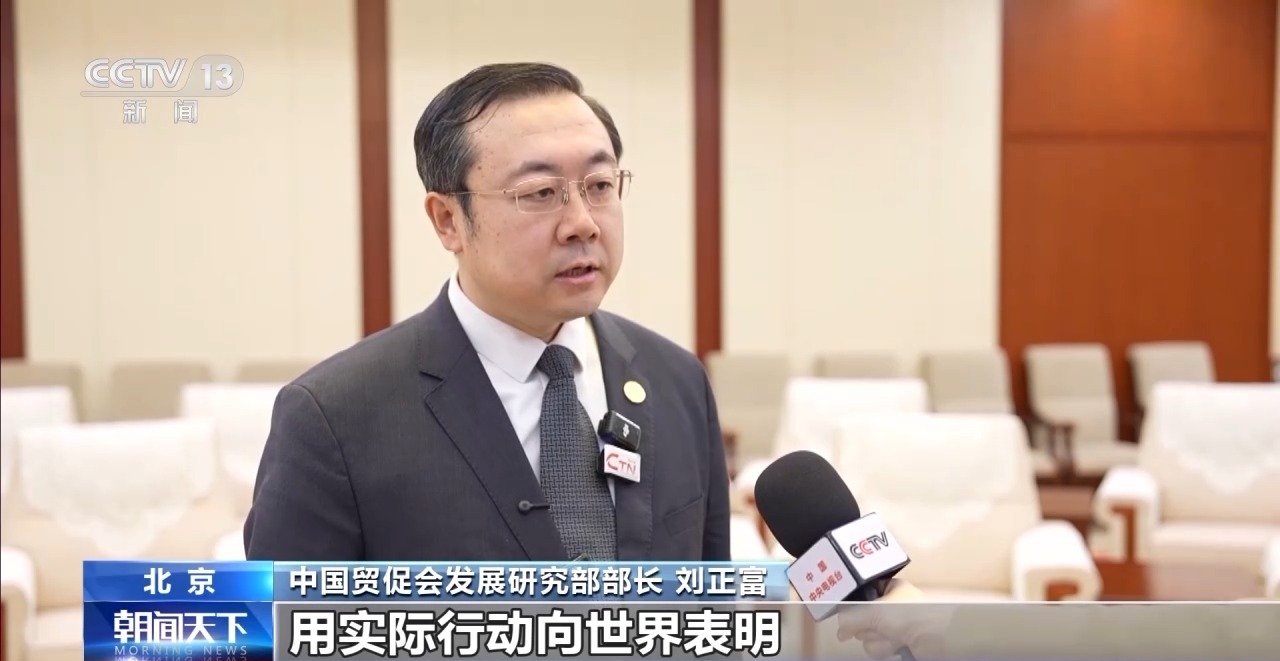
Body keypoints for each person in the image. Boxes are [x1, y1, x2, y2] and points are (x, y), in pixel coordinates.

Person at [243, 62, 731, 562]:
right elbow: (285, 613)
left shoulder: (678, 382)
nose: (582, 224)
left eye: (600, 185)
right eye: (540, 193)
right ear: (448, 220)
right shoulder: (334, 418)